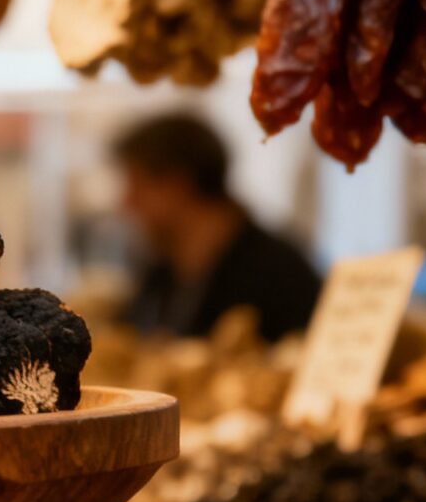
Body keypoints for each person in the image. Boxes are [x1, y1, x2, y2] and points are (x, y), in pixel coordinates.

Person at [116, 113, 322, 343]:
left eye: (137, 187)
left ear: (179, 185)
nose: (125, 204)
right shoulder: (161, 274)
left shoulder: (281, 277)